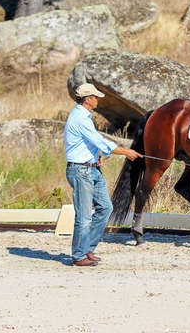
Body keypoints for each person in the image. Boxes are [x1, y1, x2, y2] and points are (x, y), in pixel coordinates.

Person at [64, 83, 142, 266]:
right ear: (87, 99)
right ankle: (78, 256)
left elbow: (88, 142)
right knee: (84, 216)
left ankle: (87, 248)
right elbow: (99, 140)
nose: (98, 100)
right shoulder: (80, 118)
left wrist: (95, 156)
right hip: (81, 171)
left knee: (106, 208)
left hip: (91, 168)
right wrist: (126, 152)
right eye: (95, 97)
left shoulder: (84, 117)